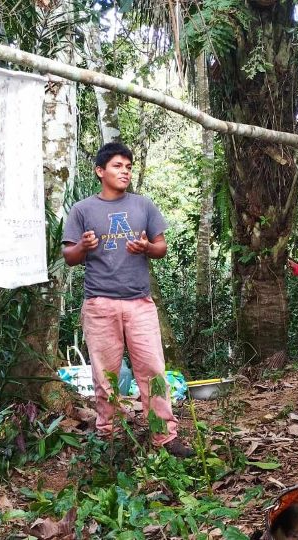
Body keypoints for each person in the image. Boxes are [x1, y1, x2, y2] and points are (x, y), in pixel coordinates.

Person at [62, 142, 193, 458]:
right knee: (105, 375)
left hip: (139, 303)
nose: (125, 172)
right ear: (100, 171)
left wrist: (147, 248)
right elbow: (69, 256)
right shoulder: (82, 210)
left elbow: (161, 247)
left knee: (153, 370)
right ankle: (112, 437)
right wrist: (82, 246)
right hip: (99, 304)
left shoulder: (143, 206)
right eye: (118, 166)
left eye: (129, 167)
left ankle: (164, 436)